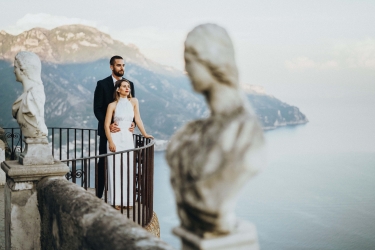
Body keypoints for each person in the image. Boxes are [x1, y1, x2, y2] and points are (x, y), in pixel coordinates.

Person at [104, 79, 153, 209]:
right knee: (115, 169)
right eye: (124, 86)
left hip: (128, 138)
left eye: (128, 87)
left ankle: (128, 201)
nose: (127, 88)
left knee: (128, 169)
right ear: (118, 89)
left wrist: (145, 134)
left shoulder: (134, 102)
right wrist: (110, 141)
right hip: (115, 138)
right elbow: (106, 124)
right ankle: (116, 201)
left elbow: (138, 119)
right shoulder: (112, 105)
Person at [94, 55, 135, 198]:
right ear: (112, 67)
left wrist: (133, 122)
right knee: (103, 163)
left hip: (124, 135)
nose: (121, 68)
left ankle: (122, 197)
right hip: (107, 133)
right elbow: (97, 108)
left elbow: (131, 108)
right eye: (118, 65)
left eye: (123, 65)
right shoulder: (102, 84)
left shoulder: (129, 85)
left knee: (124, 164)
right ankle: (99, 196)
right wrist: (109, 125)